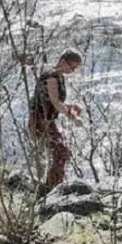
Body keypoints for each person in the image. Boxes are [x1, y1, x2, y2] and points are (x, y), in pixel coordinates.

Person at [28, 49, 83, 193]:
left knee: (59, 152)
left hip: (48, 120)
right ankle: (52, 189)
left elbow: (55, 102)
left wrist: (71, 106)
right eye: (72, 67)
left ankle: (53, 185)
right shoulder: (51, 77)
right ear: (63, 61)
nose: (73, 70)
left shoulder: (60, 77)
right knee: (61, 152)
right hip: (40, 120)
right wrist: (72, 116)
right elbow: (55, 103)